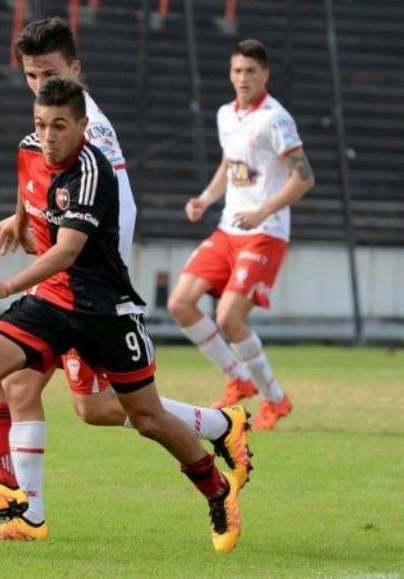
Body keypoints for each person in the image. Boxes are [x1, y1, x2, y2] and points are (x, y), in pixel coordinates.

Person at [0, 17, 250, 541]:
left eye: (48, 72)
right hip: (56, 285)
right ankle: (24, 510)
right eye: (30, 75)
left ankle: (218, 429)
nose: (39, 85)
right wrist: (21, 219)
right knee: (13, 380)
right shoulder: (46, 129)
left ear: (75, 69)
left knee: (109, 409)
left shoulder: (91, 135)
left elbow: (108, 213)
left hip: (93, 294)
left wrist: (65, 281)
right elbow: (37, 178)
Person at [167, 39, 315, 430]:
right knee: (180, 303)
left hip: (264, 232)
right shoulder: (225, 115)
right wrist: (204, 198)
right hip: (228, 229)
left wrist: (262, 211)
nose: (243, 78)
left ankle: (276, 399)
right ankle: (239, 377)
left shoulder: (275, 119)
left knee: (229, 317)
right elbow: (229, 164)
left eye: (251, 71)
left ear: (264, 74)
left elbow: (304, 177)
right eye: (237, 71)